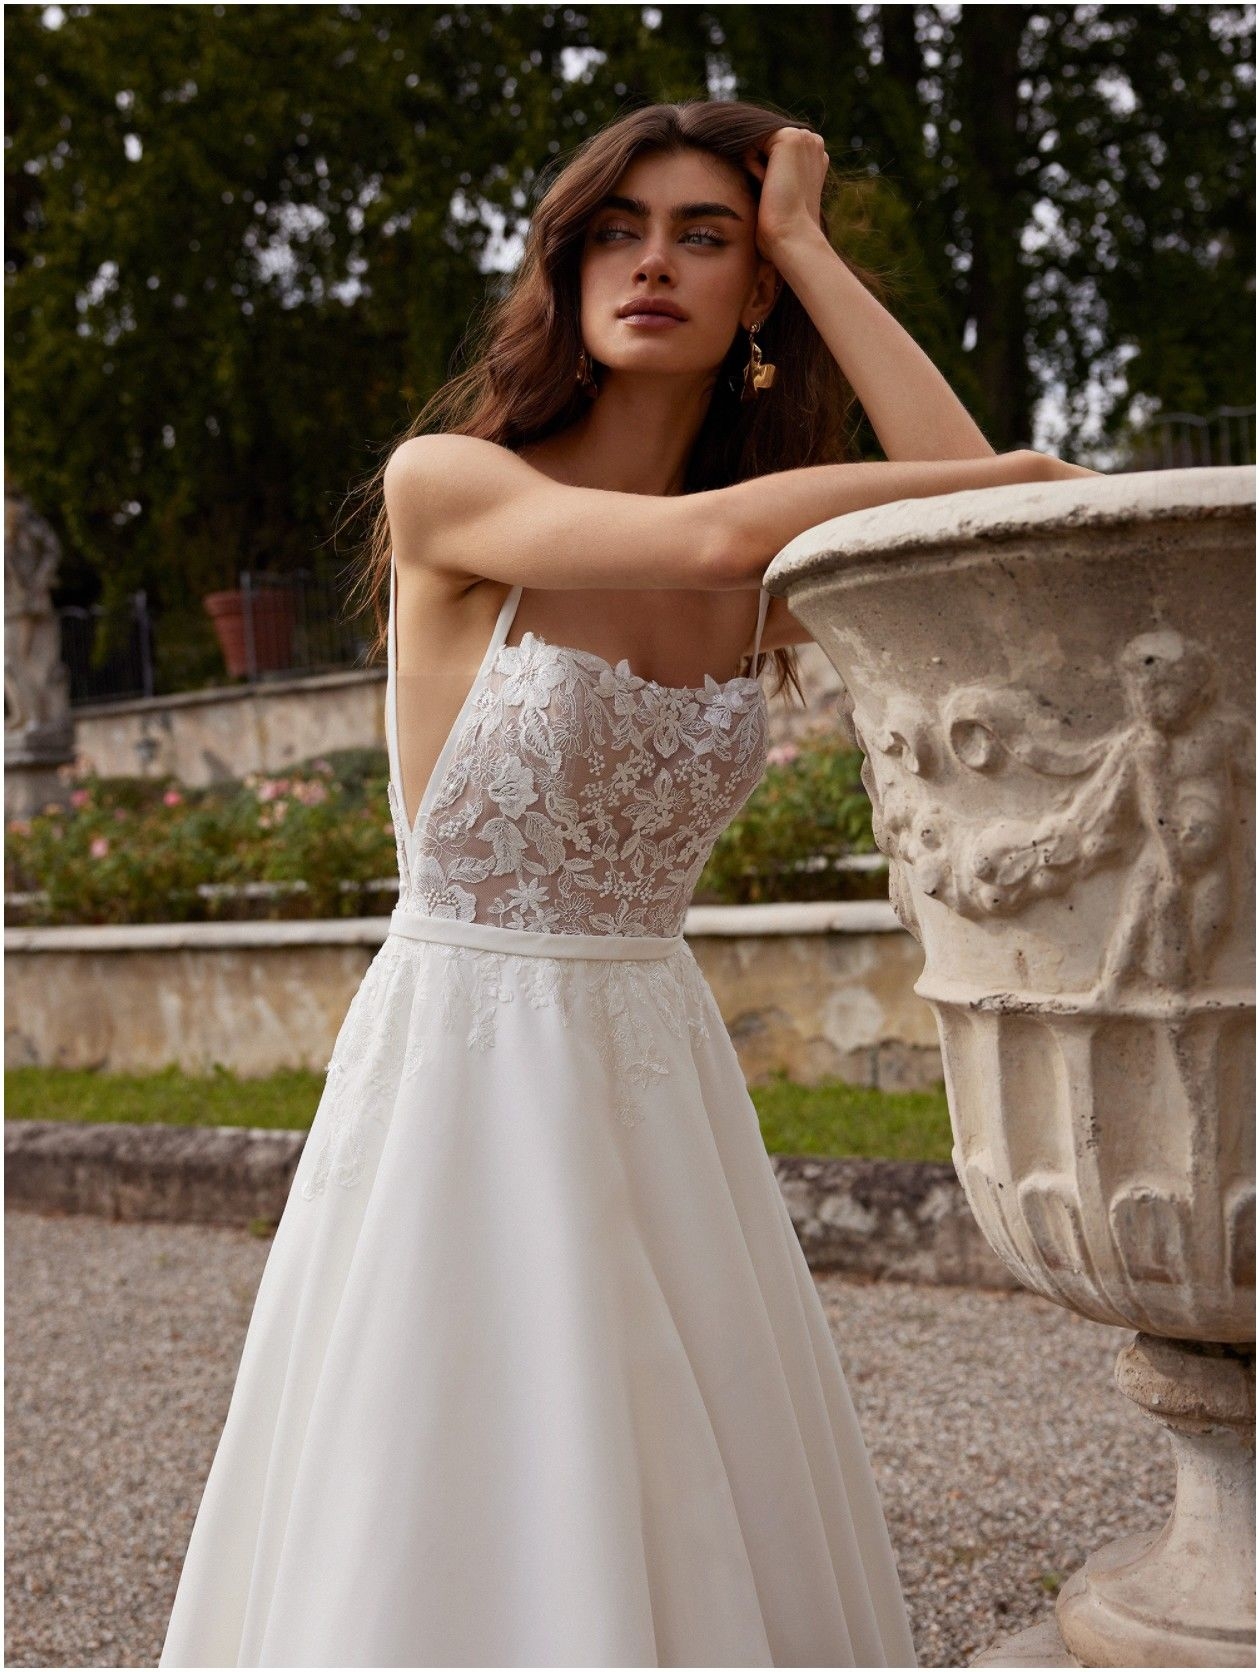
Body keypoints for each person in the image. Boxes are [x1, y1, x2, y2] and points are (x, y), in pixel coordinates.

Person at [159, 99, 1093, 1669]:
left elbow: (973, 519)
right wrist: (1000, 455)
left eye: (704, 236)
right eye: (617, 228)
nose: (652, 261)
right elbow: (721, 540)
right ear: (565, 265)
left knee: (682, 1483)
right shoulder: (449, 485)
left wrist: (806, 238)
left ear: (755, 302)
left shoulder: (771, 559)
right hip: (467, 1065)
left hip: (656, 1069)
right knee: (462, 1473)